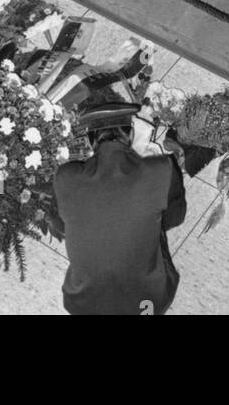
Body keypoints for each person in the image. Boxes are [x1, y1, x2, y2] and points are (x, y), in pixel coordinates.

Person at [51, 98, 186, 315]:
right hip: (148, 304)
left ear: (89, 141)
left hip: (82, 304)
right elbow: (176, 217)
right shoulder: (161, 169)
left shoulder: (65, 176)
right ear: (130, 135)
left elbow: (60, 224)